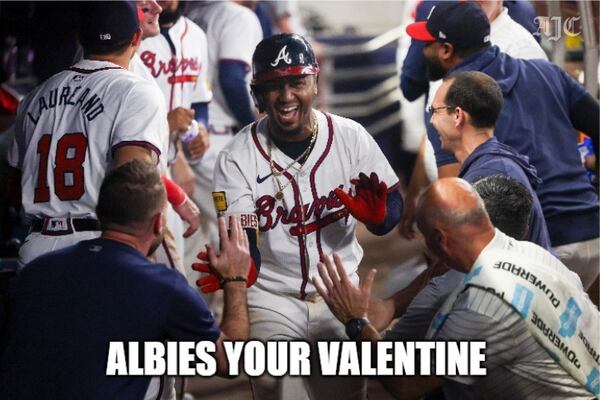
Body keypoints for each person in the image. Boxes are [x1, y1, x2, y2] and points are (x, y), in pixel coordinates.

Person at [204, 33, 403, 399]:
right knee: (276, 382)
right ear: (258, 94)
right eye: (273, 86)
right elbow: (246, 246)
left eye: (297, 81)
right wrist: (236, 271)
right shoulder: (237, 157)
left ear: (314, 82)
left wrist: (379, 219)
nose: (286, 95)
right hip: (272, 298)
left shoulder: (350, 137)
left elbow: (392, 207)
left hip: (341, 294)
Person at [314, 178, 599, 399]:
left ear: (440, 239)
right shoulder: (534, 254)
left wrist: (355, 322)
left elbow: (405, 384)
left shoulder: (482, 303)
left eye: (426, 238)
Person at [0, 160, 250, 399]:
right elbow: (230, 361)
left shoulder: (36, 271)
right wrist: (236, 280)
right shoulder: (164, 286)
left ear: (100, 213)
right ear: (158, 222)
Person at [403, 1, 600, 290]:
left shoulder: (449, 104)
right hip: (591, 231)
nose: (422, 52)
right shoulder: (547, 71)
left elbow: (453, 208)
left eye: (427, 44)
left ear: (446, 51)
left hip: (536, 250)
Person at [5, 1, 198, 266]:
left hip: (35, 248)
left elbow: (14, 189)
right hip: (96, 246)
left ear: (79, 38)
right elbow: (133, 183)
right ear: (136, 36)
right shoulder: (135, 90)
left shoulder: (35, 96)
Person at [184, 0, 263, 278]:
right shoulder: (238, 16)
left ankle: (204, 317)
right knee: (244, 238)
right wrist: (257, 127)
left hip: (190, 141)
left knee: (197, 244)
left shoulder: (194, 12)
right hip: (218, 146)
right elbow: (231, 79)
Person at [429, 70, 550, 248]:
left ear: (457, 115)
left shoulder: (493, 176)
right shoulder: (491, 165)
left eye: (435, 111)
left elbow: (495, 261)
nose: (432, 120)